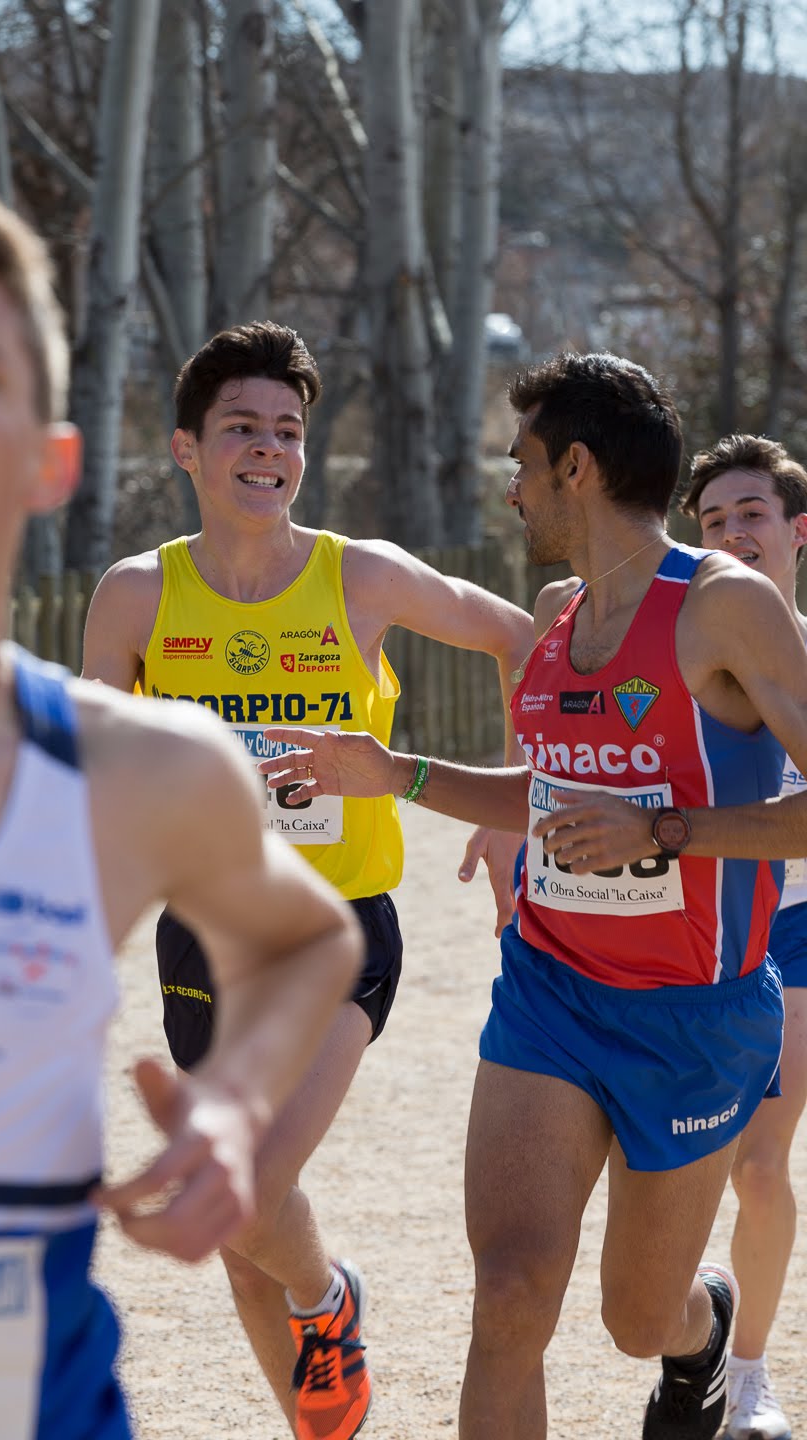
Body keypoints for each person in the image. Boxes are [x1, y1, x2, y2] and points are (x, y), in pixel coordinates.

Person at [0, 189, 364, 1440]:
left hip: (25, 1403)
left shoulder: (138, 768)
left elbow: (310, 939)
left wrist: (238, 1105)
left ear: (49, 460)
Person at [256, 350, 807, 1440]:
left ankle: (698, 1339)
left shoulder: (723, 607)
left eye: (523, 463)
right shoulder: (555, 609)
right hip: (548, 995)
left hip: (692, 1017)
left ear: (579, 469)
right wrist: (394, 769)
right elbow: (547, 794)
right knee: (508, 1298)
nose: (510, 487)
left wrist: (664, 833)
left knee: (636, 1316)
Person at [81, 319, 533, 1440]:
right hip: (207, 932)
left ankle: (329, 1296)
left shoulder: (362, 577)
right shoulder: (138, 596)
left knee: (245, 1178)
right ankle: (318, 1381)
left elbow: (532, 641)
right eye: (241, 427)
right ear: (186, 449)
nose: (270, 450)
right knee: (248, 1249)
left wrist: (521, 805)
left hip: (342, 928)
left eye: (288, 431)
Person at [680, 434, 807, 1440]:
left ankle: (751, 1376)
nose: (731, 536)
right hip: (700, 926)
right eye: (713, 522)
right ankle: (691, 1328)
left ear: (796, 531)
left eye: (750, 516)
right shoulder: (679, 652)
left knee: (761, 1166)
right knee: (701, 1161)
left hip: (793, 927)